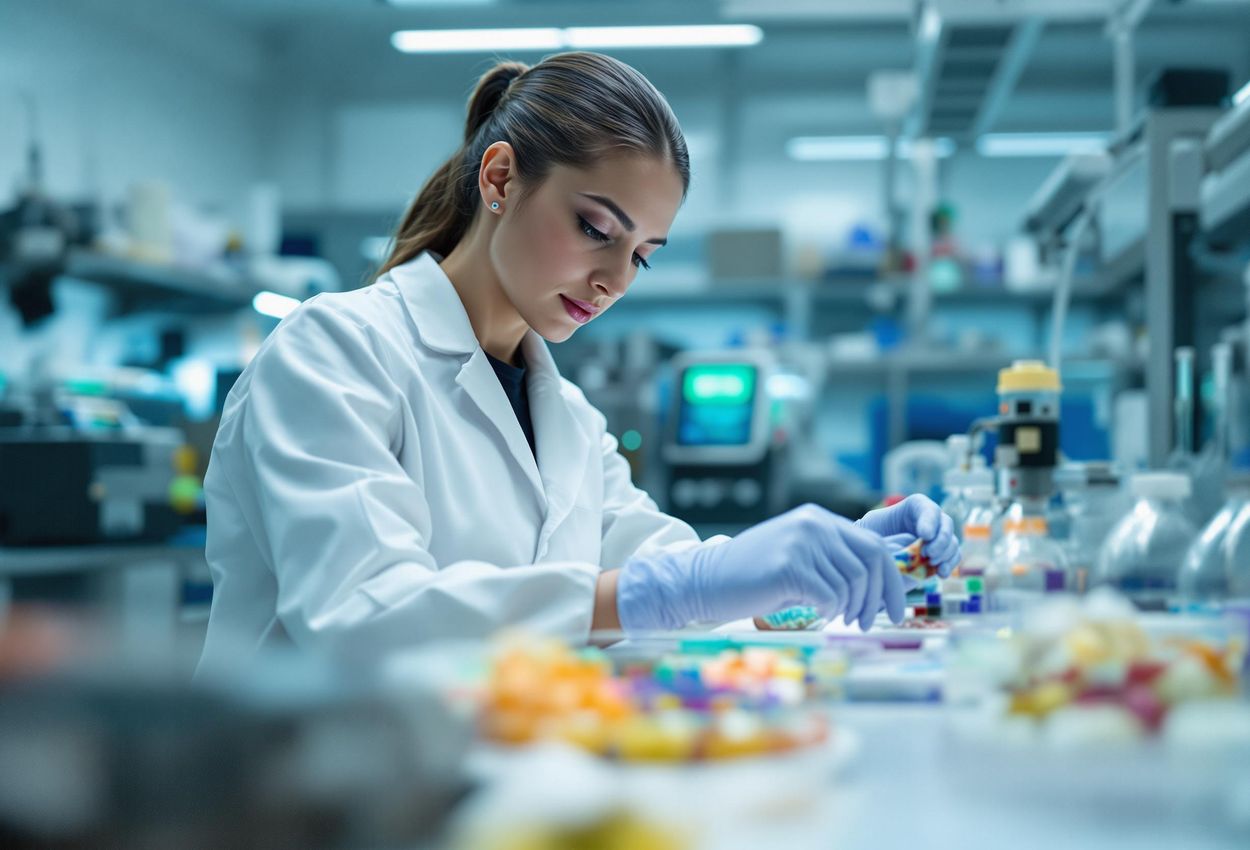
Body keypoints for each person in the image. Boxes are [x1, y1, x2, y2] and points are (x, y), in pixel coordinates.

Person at [197, 52, 959, 670]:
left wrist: (834, 557)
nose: (616, 280)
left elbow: (671, 571)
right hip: (306, 797)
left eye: (642, 257)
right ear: (499, 179)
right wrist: (676, 587)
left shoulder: (564, 415)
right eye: (597, 228)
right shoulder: (333, 351)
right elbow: (365, 618)